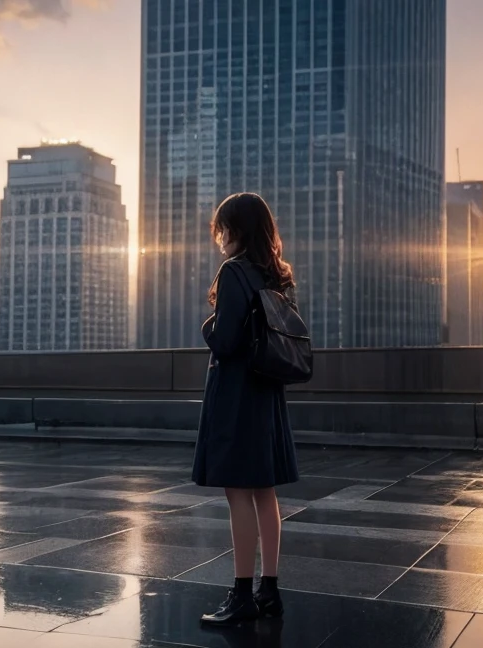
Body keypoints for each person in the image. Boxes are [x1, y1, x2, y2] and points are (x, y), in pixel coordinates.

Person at [194, 192, 300, 626]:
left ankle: (241, 595)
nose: (220, 236)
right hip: (267, 391)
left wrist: (208, 325)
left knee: (237, 490)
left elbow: (225, 340)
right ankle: (269, 590)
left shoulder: (234, 272)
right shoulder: (276, 275)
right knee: (264, 491)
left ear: (234, 228)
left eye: (223, 227)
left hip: (236, 393)